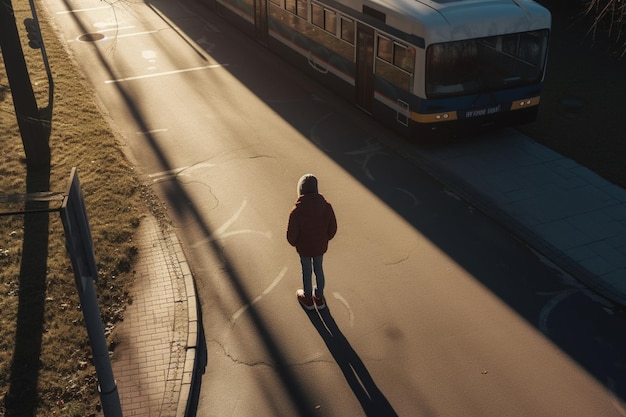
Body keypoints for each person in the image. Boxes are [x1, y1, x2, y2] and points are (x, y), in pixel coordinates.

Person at [287, 174, 337, 310]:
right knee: (319, 269)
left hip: (304, 248)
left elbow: (291, 235)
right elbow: (332, 228)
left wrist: (296, 243)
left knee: (307, 271)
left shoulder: (296, 211)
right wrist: (325, 239)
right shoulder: (326, 207)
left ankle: (307, 298)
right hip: (320, 247)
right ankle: (319, 297)